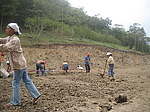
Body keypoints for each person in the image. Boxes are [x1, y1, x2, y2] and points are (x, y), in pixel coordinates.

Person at [0, 23, 41, 108]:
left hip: (18, 64)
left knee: (15, 83)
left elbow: (6, 47)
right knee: (27, 80)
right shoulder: (10, 38)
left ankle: (15, 102)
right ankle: (36, 94)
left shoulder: (15, 40)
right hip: (20, 63)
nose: (6, 30)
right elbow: (2, 40)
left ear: (13, 30)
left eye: (8, 28)